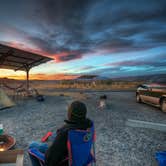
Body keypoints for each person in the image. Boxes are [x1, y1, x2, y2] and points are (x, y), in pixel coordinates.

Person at [29, 101, 93, 166]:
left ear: (70, 114)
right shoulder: (89, 126)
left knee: (32, 146)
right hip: (78, 157)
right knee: (52, 139)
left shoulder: (66, 132)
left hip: (64, 160)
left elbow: (50, 160)